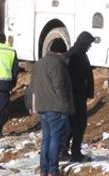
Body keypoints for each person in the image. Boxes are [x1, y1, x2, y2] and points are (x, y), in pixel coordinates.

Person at [31, 38, 73, 176]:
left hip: (42, 106)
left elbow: (33, 87)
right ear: (61, 52)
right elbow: (59, 85)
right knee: (56, 138)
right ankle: (53, 169)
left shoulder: (38, 64)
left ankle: (44, 169)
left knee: (46, 139)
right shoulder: (57, 64)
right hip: (56, 107)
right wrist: (65, 103)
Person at [65, 31, 96, 162]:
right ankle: (74, 152)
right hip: (76, 95)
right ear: (84, 43)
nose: (90, 47)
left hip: (77, 95)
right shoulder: (76, 55)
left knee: (72, 125)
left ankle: (65, 150)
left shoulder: (77, 53)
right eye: (89, 44)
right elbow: (82, 76)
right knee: (78, 124)